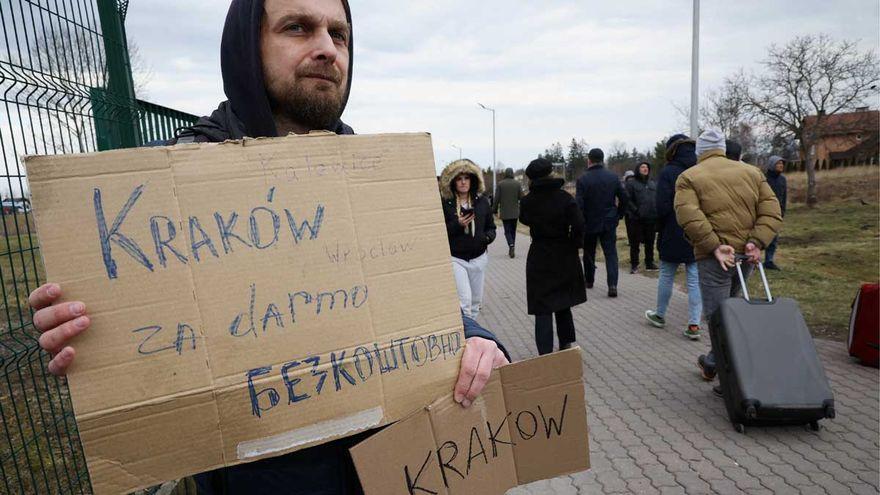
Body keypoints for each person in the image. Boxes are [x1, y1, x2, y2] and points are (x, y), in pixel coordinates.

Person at [27, 1, 509, 493]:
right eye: (297, 28)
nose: (325, 48)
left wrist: (478, 340)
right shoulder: (171, 186)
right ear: (246, 46)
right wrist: (86, 334)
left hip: (393, 469)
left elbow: (421, 295)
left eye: (338, 35)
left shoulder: (374, 171)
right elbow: (137, 342)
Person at [674, 129, 782, 395]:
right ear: (722, 148)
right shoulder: (752, 173)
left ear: (700, 151)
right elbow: (771, 209)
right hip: (745, 256)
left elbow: (689, 216)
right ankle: (715, 363)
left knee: (719, 318)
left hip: (716, 259)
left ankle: (731, 380)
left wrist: (714, 246)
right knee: (735, 309)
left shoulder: (689, 177)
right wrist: (757, 242)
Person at [519, 158, 587, 355]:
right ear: (550, 173)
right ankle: (566, 344)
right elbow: (580, 224)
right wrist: (574, 244)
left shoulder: (527, 201)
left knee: (542, 306)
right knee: (562, 301)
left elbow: (524, 219)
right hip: (564, 252)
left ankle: (544, 353)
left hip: (539, 254)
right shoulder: (565, 198)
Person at [644, 135, 703, 340]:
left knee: (666, 274)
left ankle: (660, 315)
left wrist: (660, 227)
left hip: (672, 228)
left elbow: (661, 206)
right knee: (695, 278)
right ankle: (694, 324)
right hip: (697, 229)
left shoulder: (668, 172)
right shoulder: (700, 169)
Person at [440, 159, 497, 319]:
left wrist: (486, 238)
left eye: (466, 178)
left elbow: (491, 227)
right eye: (459, 178)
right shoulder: (446, 204)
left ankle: (471, 337)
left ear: (473, 180)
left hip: (478, 258)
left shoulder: (482, 202)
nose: (463, 182)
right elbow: (440, 232)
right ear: (453, 182)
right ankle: (464, 338)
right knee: (464, 301)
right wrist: (457, 224)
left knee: (475, 302)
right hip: (456, 258)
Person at [576, 148, 628, 297]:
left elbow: (579, 203)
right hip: (609, 221)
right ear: (602, 159)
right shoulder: (613, 177)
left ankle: (589, 280)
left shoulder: (583, 179)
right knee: (611, 253)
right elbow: (624, 197)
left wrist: (579, 221)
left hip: (589, 221)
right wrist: (619, 214)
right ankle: (612, 285)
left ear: (589, 160)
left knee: (589, 252)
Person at [624, 161, 658, 273]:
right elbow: (627, 200)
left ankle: (649, 262)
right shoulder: (631, 183)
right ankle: (634, 265)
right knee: (635, 243)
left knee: (650, 241)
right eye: (643, 167)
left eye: (647, 167)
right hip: (636, 219)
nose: (645, 169)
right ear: (638, 169)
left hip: (651, 217)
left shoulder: (652, 183)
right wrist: (636, 211)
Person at [764, 155, 787, 270]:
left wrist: (782, 211)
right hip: (764, 211)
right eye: (778, 164)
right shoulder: (763, 178)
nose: (781, 166)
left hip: (777, 213)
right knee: (760, 237)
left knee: (774, 238)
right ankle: (752, 261)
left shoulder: (783, 180)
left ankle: (769, 261)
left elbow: (784, 197)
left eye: (782, 164)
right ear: (772, 165)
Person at [494, 167, 523, 258]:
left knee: (507, 231)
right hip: (515, 212)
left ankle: (511, 245)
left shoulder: (500, 184)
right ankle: (512, 245)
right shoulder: (517, 184)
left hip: (505, 212)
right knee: (513, 231)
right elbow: (521, 197)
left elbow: (496, 199)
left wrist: (494, 210)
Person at [622, 170, 639, 272]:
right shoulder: (628, 186)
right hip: (631, 213)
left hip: (632, 214)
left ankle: (634, 264)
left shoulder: (628, 186)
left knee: (633, 238)